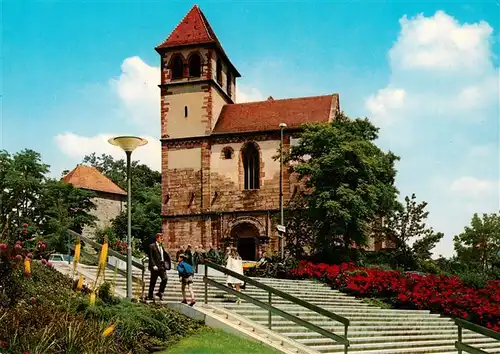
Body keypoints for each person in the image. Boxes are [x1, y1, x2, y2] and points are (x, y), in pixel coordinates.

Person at [147, 233, 171, 300]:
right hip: (155, 267)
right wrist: (153, 265)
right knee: (153, 282)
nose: (162, 240)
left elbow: (163, 256)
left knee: (165, 279)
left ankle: (160, 292)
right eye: (161, 238)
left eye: (162, 238)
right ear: (157, 238)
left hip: (162, 266)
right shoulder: (152, 246)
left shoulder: (161, 246)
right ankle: (150, 295)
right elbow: (151, 257)